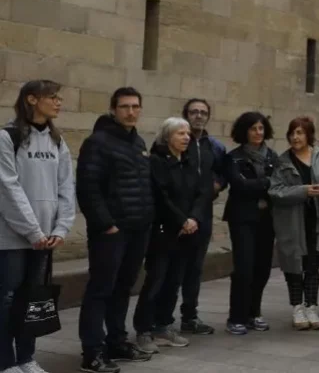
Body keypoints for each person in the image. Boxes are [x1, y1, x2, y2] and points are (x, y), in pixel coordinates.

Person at [77, 88, 155, 373]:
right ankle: (92, 351)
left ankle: (116, 341)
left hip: (138, 230)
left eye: (136, 106)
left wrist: (147, 220)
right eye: (125, 107)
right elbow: (88, 188)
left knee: (123, 288)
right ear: (113, 109)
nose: (131, 112)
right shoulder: (97, 142)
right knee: (100, 289)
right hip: (111, 232)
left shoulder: (138, 143)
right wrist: (105, 224)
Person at [0, 80, 74, 373]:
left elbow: (66, 186)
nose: (58, 103)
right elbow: (8, 187)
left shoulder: (57, 140)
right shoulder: (9, 136)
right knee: (8, 299)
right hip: (13, 237)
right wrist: (33, 231)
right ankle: (6, 362)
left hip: (46, 238)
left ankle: (26, 358)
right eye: (52, 98)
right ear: (31, 99)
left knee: (34, 299)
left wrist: (61, 228)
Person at [133, 118, 205, 354]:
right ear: (167, 137)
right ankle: (144, 329)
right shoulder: (157, 161)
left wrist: (193, 218)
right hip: (164, 231)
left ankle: (163, 325)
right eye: (179, 133)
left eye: (187, 134)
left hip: (188, 231)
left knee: (175, 280)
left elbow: (201, 193)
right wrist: (181, 220)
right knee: (156, 280)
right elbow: (161, 196)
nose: (186, 137)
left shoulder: (189, 161)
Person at [269, 117, 319, 331]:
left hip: (317, 220)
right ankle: (297, 307)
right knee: (294, 265)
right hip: (292, 221)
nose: (295, 137)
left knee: (313, 264)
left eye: (299, 133)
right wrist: (303, 191)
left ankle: (312, 306)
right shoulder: (283, 161)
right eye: (292, 133)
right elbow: (275, 191)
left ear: (309, 135)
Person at [223, 112, 280, 335]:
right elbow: (239, 185)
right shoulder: (233, 157)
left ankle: (253, 312)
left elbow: (279, 183)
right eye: (253, 129)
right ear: (244, 131)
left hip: (267, 219)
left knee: (262, 268)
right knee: (244, 268)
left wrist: (259, 183)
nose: (258, 133)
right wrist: (266, 182)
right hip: (242, 218)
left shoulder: (272, 157)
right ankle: (236, 316)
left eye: (261, 128)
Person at [176, 99, 225, 336]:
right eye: (194, 112)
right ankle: (160, 319)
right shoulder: (176, 141)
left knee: (195, 268)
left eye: (203, 112)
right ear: (186, 114)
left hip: (203, 214)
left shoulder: (214, 146)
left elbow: (225, 173)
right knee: (171, 269)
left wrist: (216, 185)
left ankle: (190, 316)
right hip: (177, 215)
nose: (198, 116)